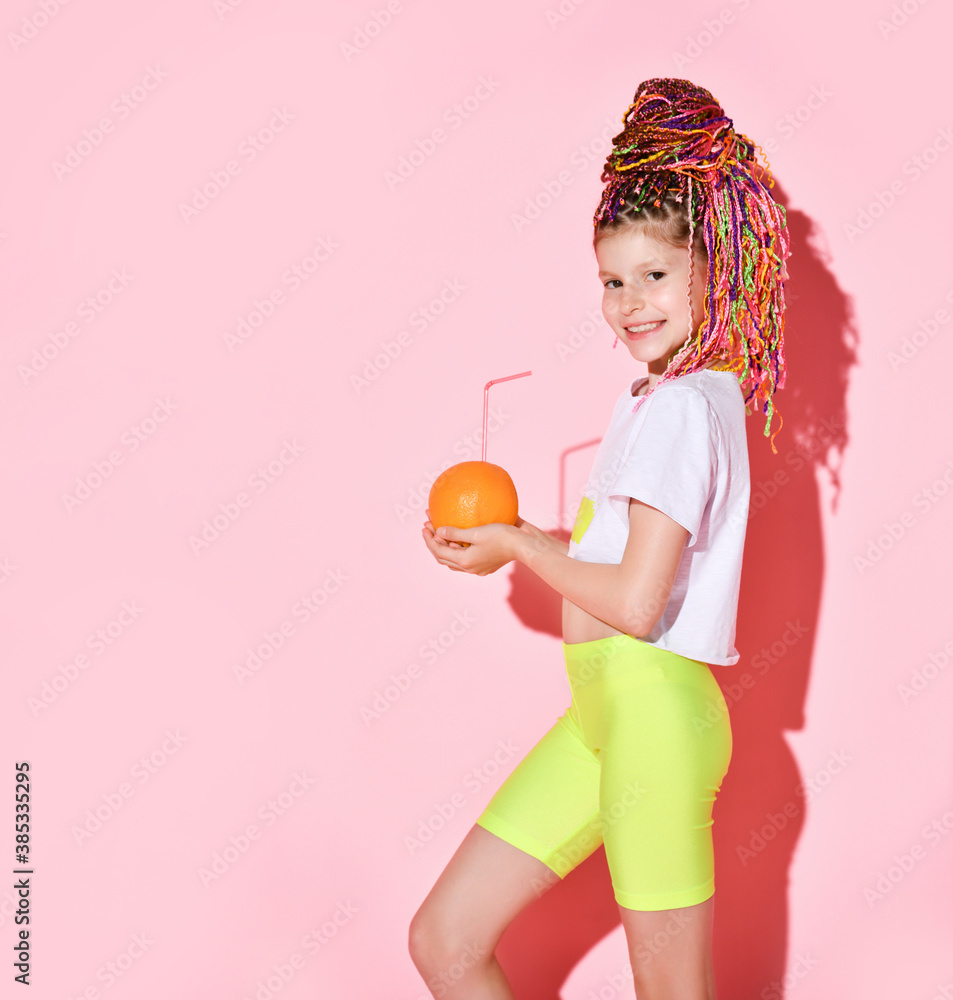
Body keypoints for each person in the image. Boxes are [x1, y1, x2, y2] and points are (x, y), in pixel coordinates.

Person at [410, 77, 792, 1000]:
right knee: (445, 940)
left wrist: (516, 544)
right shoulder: (666, 401)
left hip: (653, 718)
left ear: (710, 268)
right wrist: (520, 538)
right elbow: (622, 568)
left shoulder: (682, 411)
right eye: (612, 281)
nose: (630, 304)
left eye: (654, 277)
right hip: (601, 718)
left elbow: (631, 601)